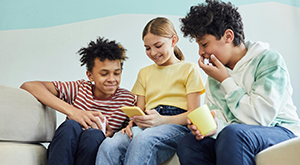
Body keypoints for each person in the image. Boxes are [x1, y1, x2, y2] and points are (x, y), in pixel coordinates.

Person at [176, 0, 300, 165]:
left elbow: (261, 117)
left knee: (233, 134)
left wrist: (226, 80)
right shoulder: (214, 76)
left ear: (228, 36)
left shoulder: (269, 60)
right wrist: (212, 126)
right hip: (237, 134)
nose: (201, 52)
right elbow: (221, 121)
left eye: (204, 44)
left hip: (280, 129)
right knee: (189, 144)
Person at [96, 17, 205, 165]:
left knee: (143, 140)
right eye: (147, 48)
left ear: (173, 41)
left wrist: (162, 120)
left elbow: (194, 114)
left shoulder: (189, 69)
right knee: (109, 145)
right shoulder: (144, 73)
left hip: (177, 126)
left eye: (158, 45)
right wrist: (131, 124)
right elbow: (138, 110)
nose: (153, 52)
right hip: (147, 122)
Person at [20, 37, 136, 165]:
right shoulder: (80, 88)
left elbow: (129, 134)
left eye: (117, 73)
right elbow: (29, 86)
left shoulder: (128, 100)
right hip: (63, 153)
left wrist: (112, 133)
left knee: (94, 135)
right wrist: (73, 112)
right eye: (104, 74)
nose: (111, 79)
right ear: (90, 75)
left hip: (92, 153)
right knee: (71, 125)